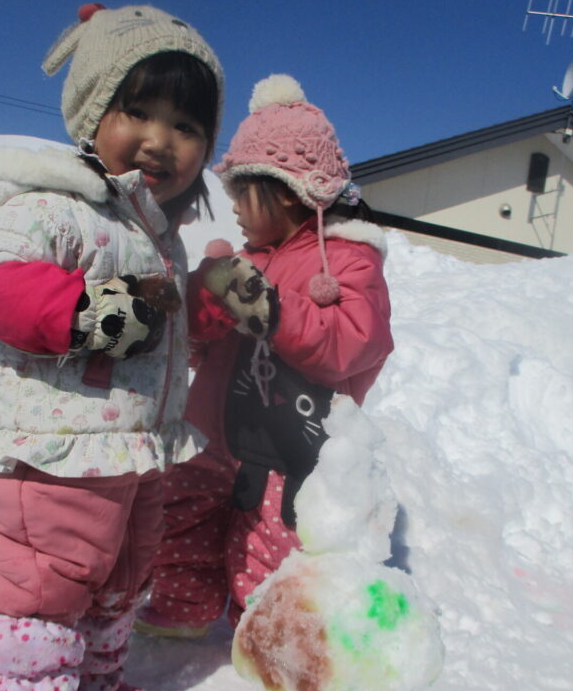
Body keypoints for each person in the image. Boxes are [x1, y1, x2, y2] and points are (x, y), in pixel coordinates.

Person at [0, 3, 223, 691]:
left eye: (185, 125)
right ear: (93, 109)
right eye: (138, 110)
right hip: (54, 450)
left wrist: (205, 299)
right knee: (48, 584)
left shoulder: (155, 234)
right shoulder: (53, 203)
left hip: (130, 449)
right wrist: (82, 311)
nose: (160, 139)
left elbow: (161, 329)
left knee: (120, 575)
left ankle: (87, 688)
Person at [138, 74, 393, 636]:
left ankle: (265, 631)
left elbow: (352, 344)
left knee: (271, 536)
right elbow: (198, 342)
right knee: (185, 514)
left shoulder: (348, 259)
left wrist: (273, 311)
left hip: (287, 443)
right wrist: (205, 302)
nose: (234, 210)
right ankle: (184, 608)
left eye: (241, 196)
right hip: (212, 427)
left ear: (284, 188)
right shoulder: (246, 257)